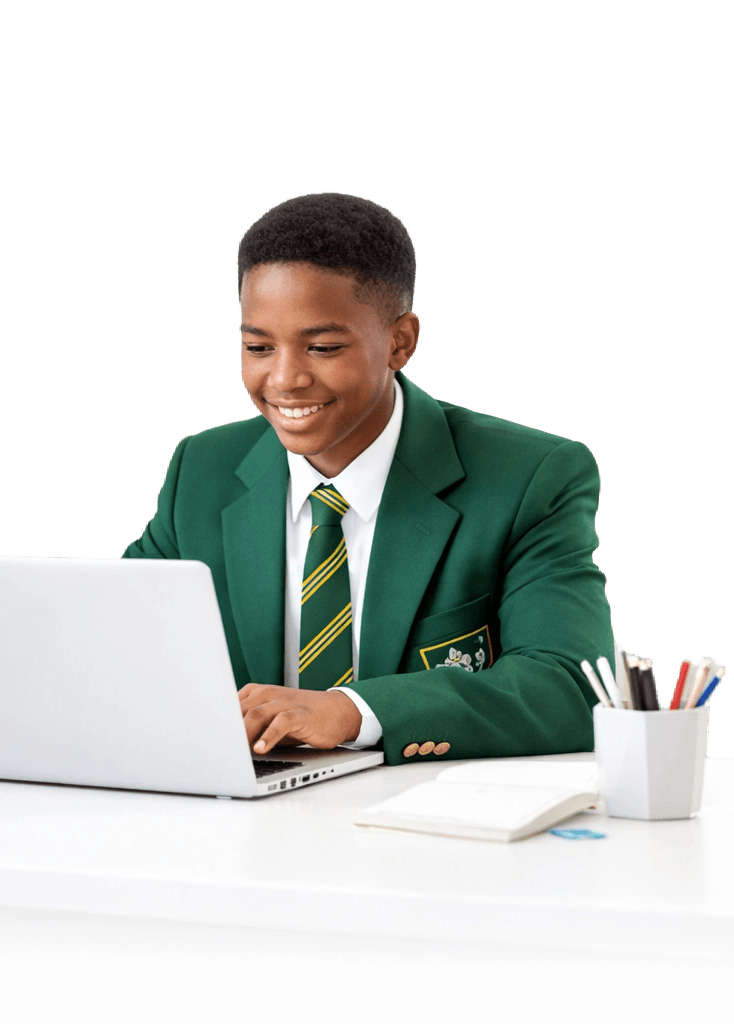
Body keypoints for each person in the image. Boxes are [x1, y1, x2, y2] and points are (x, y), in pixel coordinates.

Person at [123, 191, 614, 765]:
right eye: (257, 346)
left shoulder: (531, 476)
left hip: (430, 828)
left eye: (323, 347)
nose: (284, 380)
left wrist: (351, 710)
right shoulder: (201, 470)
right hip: (239, 821)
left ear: (400, 341)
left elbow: (570, 689)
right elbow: (111, 639)